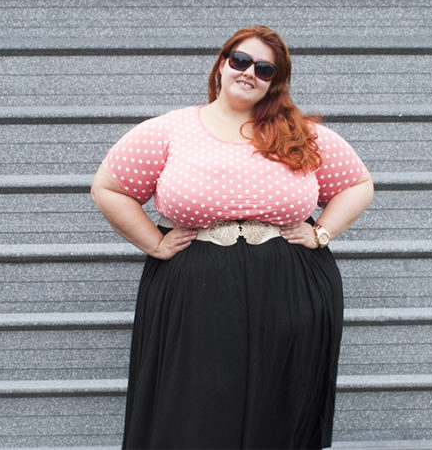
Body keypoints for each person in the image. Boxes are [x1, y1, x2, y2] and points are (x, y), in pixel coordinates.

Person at [91, 25, 373, 449]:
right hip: (194, 288)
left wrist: (322, 232)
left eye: (264, 68)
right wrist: (154, 242)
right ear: (222, 64)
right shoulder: (172, 129)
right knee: (195, 405)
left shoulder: (300, 133)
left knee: (280, 404)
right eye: (240, 60)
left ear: (274, 81)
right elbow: (109, 188)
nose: (248, 73)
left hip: (289, 287)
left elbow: (357, 185)